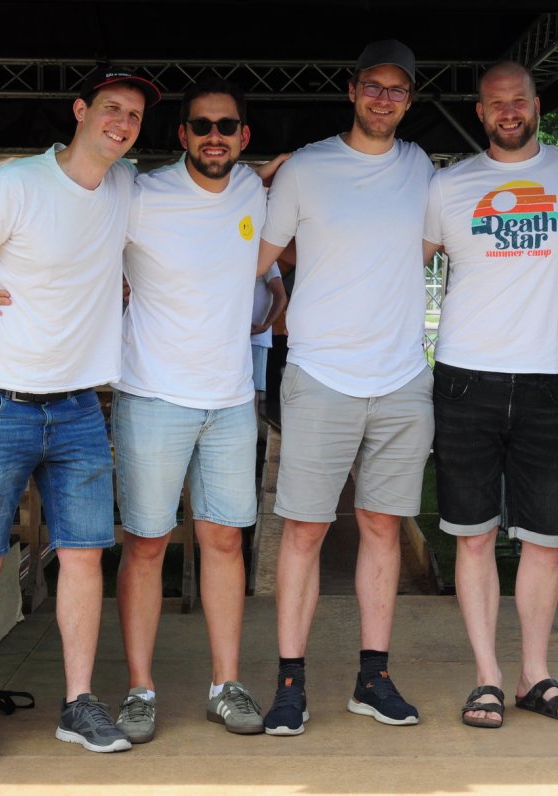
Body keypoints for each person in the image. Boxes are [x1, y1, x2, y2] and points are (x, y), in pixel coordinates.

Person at [0, 65, 160, 765]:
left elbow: (198, 197)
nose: (121, 122)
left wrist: (271, 174)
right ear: (80, 110)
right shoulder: (17, 184)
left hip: (79, 404)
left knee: (84, 554)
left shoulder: (127, 187)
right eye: (111, 108)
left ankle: (79, 703)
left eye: (134, 115)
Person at [255, 39, 434, 736]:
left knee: (383, 527)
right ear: (352, 90)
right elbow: (253, 255)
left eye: (397, 89)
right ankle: (290, 683)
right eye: (374, 86)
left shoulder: (422, 168)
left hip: (402, 377)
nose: (384, 98)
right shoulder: (305, 168)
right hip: (321, 373)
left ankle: (373, 678)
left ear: (409, 100)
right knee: (304, 529)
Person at [422, 61, 558, 728]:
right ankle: (487, 678)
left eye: (519, 100)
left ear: (536, 104)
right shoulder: (448, 185)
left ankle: (535, 674)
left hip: (540, 381)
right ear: (479, 111)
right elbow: (394, 267)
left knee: (545, 539)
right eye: (496, 102)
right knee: (473, 537)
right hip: (463, 377)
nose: (508, 111)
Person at [109, 79, 271, 742]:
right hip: (153, 395)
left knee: (225, 542)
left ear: (243, 136)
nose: (214, 136)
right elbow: (65, 238)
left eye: (226, 126)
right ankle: (140, 690)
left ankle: (225, 685)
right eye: (201, 125)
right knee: (147, 545)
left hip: (230, 400)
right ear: (181, 135)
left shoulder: (256, 189)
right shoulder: (141, 195)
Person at [251, 263, 288, 416]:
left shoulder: (268, 261)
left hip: (255, 338)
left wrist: (266, 325)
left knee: (251, 393)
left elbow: (281, 297)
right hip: (235, 337)